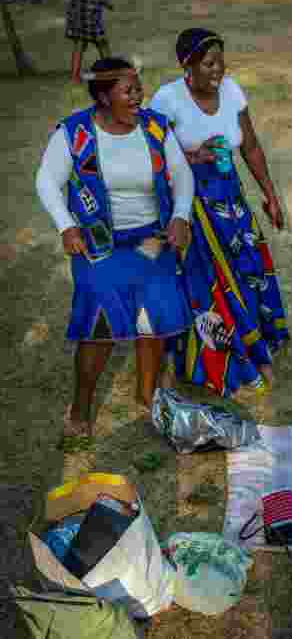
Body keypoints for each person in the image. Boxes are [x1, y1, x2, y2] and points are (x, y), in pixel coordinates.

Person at [34, 57, 194, 439]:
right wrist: (66, 225)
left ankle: (149, 396)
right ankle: (82, 406)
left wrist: (181, 215)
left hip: (150, 237)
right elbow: (46, 180)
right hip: (99, 244)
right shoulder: (75, 132)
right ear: (104, 97)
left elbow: (182, 173)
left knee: (152, 313)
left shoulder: (155, 126)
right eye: (129, 91)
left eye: (139, 88)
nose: (139, 96)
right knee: (99, 323)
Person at [150, 28, 289, 399]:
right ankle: (227, 360)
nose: (218, 70)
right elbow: (154, 158)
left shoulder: (232, 91)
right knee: (210, 283)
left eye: (220, 61)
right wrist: (195, 157)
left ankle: (257, 350)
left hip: (232, 201)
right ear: (187, 66)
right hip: (191, 205)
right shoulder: (167, 100)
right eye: (209, 63)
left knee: (248, 271)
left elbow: (252, 146)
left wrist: (271, 196)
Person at [65, 0, 112, 84]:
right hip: (87, 18)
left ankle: (75, 76)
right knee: (102, 44)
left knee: (80, 46)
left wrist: (106, 3)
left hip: (86, 17)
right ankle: (110, 71)